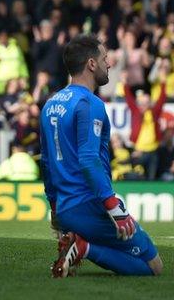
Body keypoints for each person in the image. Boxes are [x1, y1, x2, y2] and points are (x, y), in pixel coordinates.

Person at [40, 34, 162, 278]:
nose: (109, 64)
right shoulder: (90, 103)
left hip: (65, 208)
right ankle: (85, 247)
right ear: (91, 64)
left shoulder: (50, 104)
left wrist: (54, 208)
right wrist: (113, 206)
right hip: (91, 205)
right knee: (153, 266)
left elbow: (46, 163)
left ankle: (81, 243)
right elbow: (88, 159)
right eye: (105, 58)